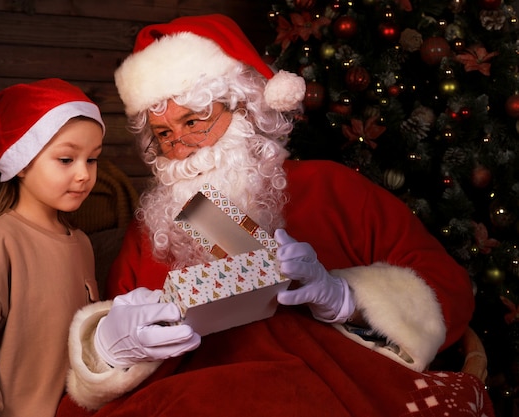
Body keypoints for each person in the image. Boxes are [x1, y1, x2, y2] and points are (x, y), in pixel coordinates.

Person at [58, 14, 494, 417]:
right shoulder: (149, 229)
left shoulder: (331, 187)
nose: (181, 147)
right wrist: (109, 349)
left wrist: (346, 296)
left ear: (244, 110)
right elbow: (103, 363)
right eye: (164, 135)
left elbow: (449, 288)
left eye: (194, 122)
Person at [0, 78, 105, 417]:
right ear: (23, 161)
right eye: (66, 159)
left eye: (92, 160)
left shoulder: (82, 244)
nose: (84, 174)